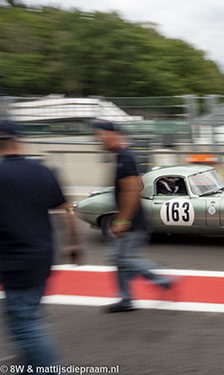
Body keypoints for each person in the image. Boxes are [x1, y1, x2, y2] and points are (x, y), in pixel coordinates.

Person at [0, 120, 82, 372]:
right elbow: (67, 210)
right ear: (19, 141)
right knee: (29, 319)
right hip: (42, 256)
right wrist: (74, 244)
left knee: (25, 324)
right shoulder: (43, 171)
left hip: (16, 261)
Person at [94, 121, 176, 313]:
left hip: (132, 222)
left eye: (100, 135)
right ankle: (126, 299)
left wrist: (123, 220)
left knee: (122, 259)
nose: (98, 139)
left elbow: (131, 190)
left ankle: (163, 279)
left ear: (112, 134)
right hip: (131, 220)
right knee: (119, 259)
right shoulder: (123, 157)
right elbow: (138, 184)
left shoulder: (126, 157)